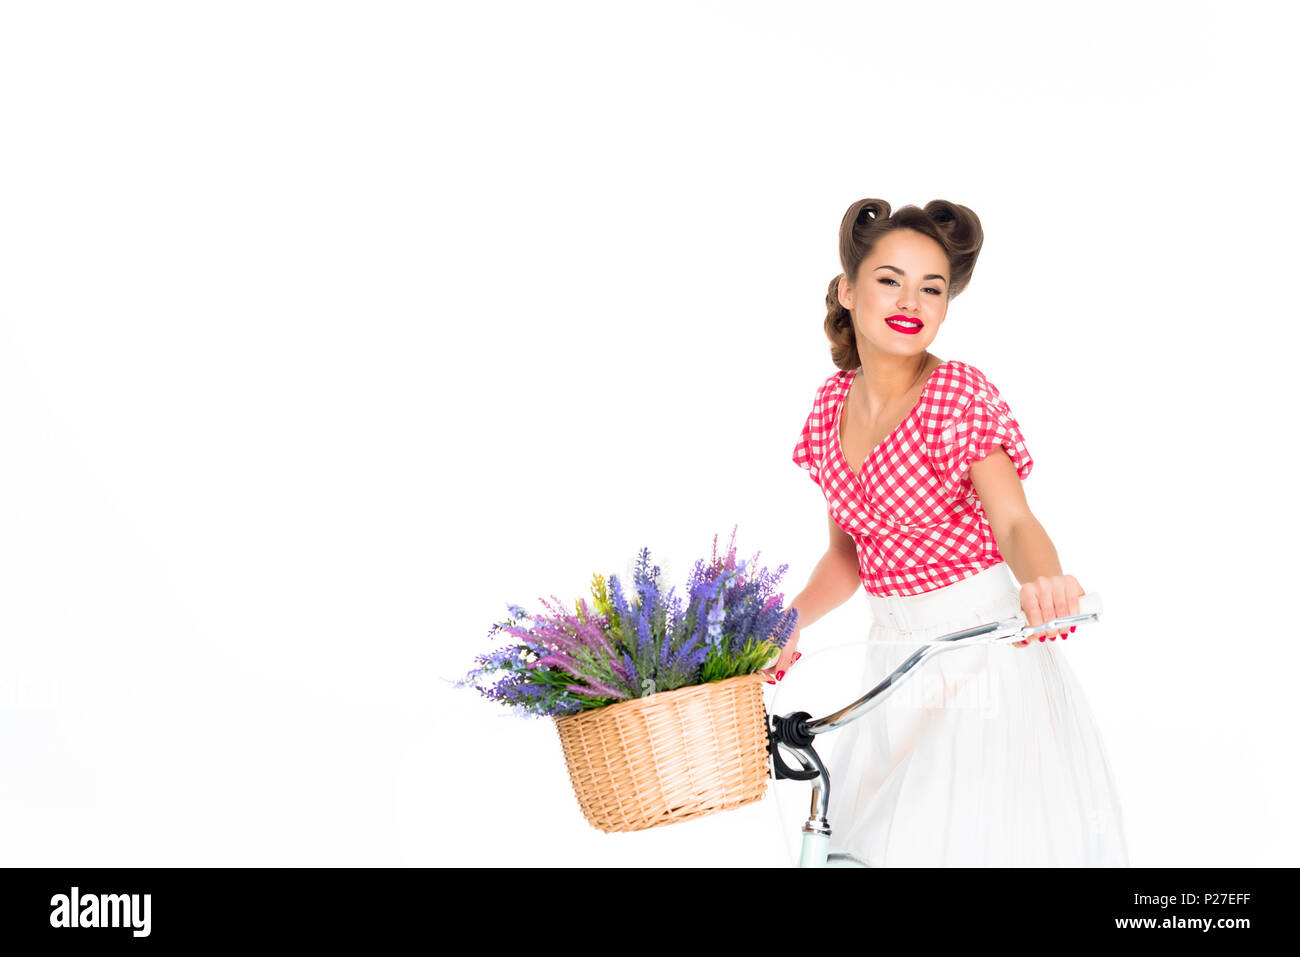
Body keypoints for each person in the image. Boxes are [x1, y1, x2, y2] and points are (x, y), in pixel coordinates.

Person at [759, 198, 1130, 867]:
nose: (912, 299)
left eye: (932, 287)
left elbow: (1013, 520)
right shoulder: (828, 405)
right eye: (889, 279)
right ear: (848, 289)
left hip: (981, 655)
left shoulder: (954, 394)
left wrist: (1045, 581)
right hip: (891, 661)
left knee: (937, 845)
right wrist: (788, 619)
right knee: (860, 841)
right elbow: (847, 557)